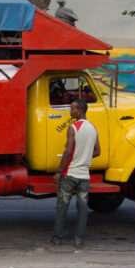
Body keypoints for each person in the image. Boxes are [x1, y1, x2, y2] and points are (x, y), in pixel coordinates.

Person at [50, 100, 100, 248]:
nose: (70, 111)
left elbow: (68, 151)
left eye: (72, 108)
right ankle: (79, 240)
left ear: (79, 111)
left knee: (62, 207)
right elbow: (98, 151)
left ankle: (57, 238)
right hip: (84, 176)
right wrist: (84, 157)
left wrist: (59, 172)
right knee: (83, 209)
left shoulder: (72, 128)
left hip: (69, 173)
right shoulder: (93, 128)